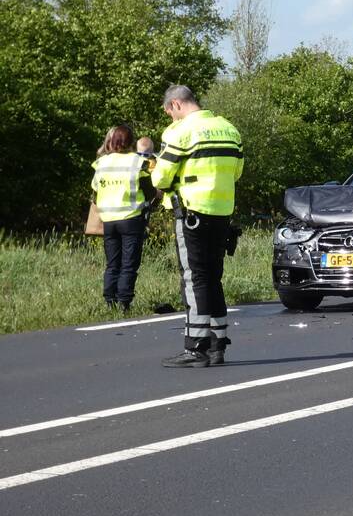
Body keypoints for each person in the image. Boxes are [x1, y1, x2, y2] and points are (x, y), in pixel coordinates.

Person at [152, 85, 243, 368]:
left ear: (176, 104)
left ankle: (196, 347)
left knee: (194, 279)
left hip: (191, 211)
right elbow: (237, 172)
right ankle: (218, 345)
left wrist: (156, 171)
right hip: (222, 211)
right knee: (213, 278)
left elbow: (161, 178)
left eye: (169, 113)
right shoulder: (229, 129)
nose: (171, 118)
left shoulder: (181, 132)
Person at [91, 124, 158, 311]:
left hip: (108, 221)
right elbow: (150, 191)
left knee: (112, 264)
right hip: (131, 218)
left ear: (111, 141)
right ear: (131, 142)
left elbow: (95, 193)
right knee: (129, 264)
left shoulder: (101, 163)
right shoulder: (137, 162)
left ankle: (109, 301)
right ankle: (124, 302)